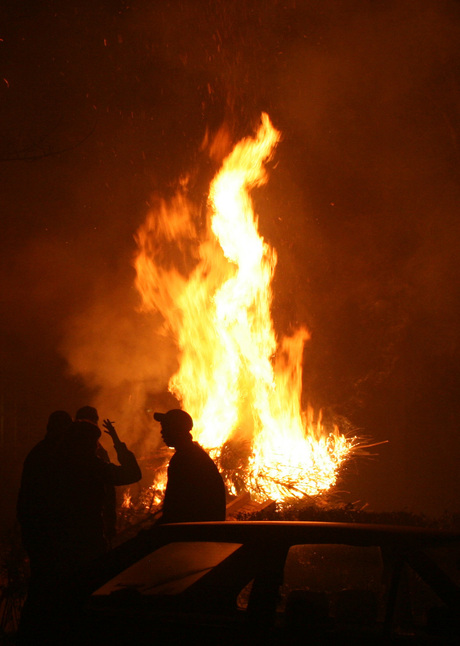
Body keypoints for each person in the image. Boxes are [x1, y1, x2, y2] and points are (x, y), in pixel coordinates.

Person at [154, 409, 226, 523]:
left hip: (196, 527)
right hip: (204, 524)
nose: (162, 432)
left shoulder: (184, 459)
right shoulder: (193, 454)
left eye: (166, 428)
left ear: (178, 430)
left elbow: (176, 507)